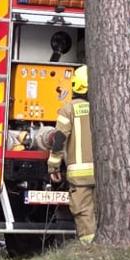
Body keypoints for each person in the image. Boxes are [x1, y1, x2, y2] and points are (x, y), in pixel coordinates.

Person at [48, 65, 95, 244]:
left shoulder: (68, 110)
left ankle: (89, 248)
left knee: (83, 212)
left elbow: (59, 139)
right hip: (102, 175)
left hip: (79, 176)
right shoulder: (105, 109)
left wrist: (53, 166)